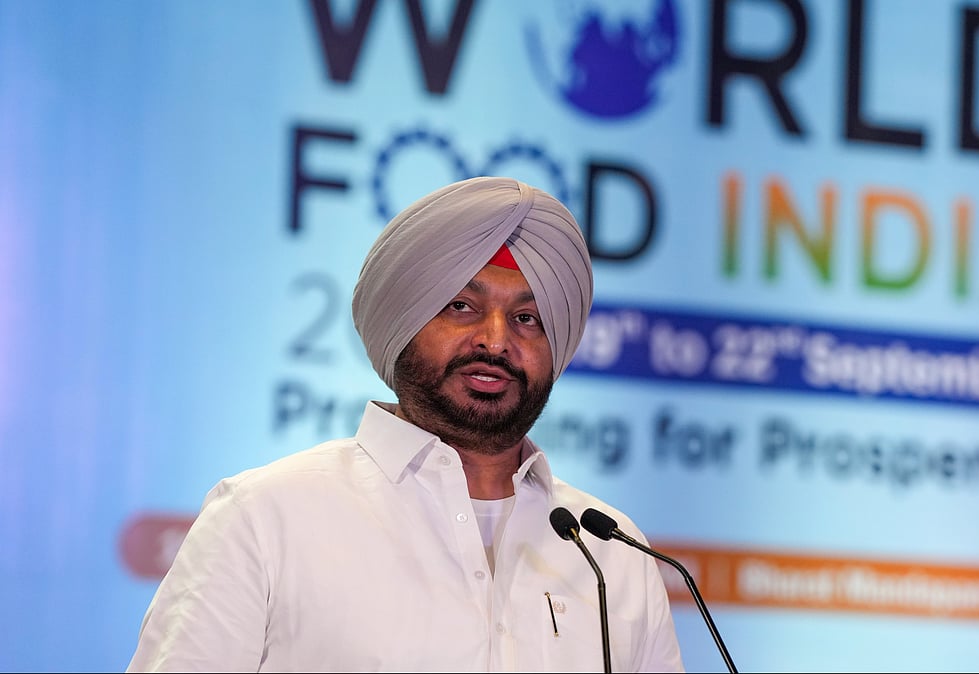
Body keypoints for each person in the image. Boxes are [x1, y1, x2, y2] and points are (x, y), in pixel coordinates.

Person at [126, 176, 685, 672]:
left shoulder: (613, 552)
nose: (496, 341)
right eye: (462, 307)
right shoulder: (265, 518)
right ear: (405, 322)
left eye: (526, 318)